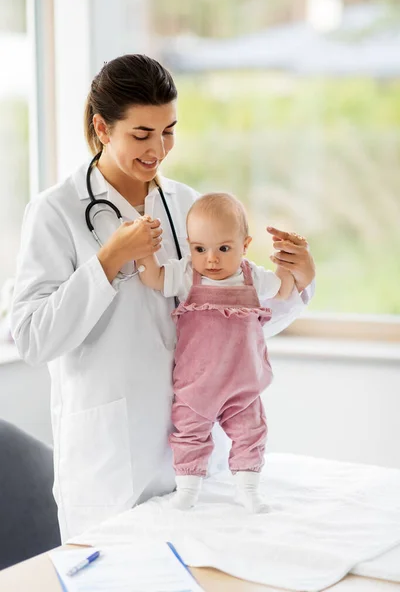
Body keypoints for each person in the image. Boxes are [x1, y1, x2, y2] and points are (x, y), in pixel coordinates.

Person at [10, 54, 316, 541]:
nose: (158, 149)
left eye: (168, 130)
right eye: (142, 134)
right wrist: (107, 262)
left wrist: (295, 283)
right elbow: (30, 339)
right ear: (102, 127)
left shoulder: (187, 204)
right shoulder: (56, 211)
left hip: (192, 453)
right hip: (111, 460)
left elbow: (229, 323)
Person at [137, 193, 296, 513]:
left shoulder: (253, 276)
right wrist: (146, 253)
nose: (211, 259)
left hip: (244, 383)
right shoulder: (186, 274)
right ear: (189, 245)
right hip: (197, 382)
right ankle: (187, 491)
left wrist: (288, 264)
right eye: (199, 249)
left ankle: (249, 490)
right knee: (189, 434)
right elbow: (153, 277)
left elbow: (283, 289)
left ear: (245, 245)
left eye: (224, 249)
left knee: (251, 433)